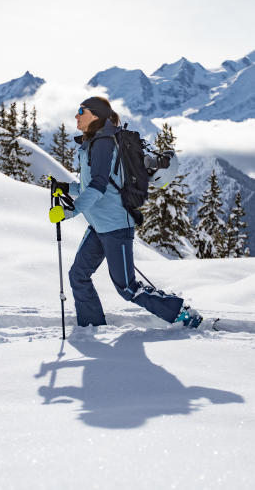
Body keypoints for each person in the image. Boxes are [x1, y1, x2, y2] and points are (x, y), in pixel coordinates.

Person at [49, 96, 202, 328]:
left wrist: (70, 212)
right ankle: (91, 328)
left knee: (127, 288)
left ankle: (182, 313)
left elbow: (98, 187)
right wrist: (64, 187)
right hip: (99, 226)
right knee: (78, 276)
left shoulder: (103, 144)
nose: (76, 115)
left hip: (116, 226)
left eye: (82, 110)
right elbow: (91, 185)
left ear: (96, 116)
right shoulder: (92, 143)